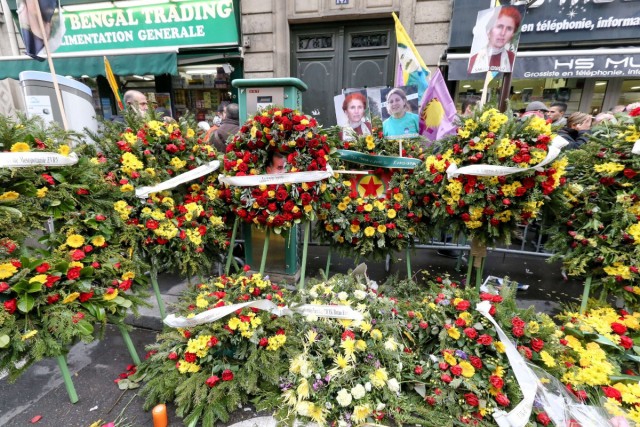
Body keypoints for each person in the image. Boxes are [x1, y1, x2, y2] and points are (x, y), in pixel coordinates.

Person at [467, 6, 522, 74]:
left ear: (512, 34)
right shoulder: (474, 60)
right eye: (499, 27)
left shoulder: (513, 60)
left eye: (509, 28)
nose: (503, 33)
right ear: (488, 30)